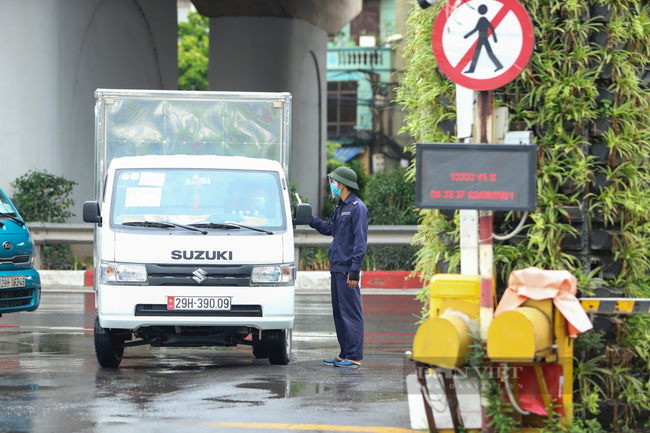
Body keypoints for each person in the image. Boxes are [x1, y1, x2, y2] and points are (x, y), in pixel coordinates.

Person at [310, 166, 369, 369]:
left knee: (351, 313)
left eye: (334, 182)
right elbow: (331, 229)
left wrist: (355, 270)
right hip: (337, 268)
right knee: (339, 313)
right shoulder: (340, 206)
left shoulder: (357, 207)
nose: (332, 185)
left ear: (342, 184)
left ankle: (354, 357)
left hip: (347, 270)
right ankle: (344, 353)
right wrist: (311, 219)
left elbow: (361, 241)